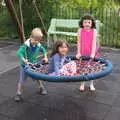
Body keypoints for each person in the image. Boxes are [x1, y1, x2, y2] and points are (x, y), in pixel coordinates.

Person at [15, 28, 48, 102]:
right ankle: (18, 93)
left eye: (38, 40)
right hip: (24, 66)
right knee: (22, 80)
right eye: (35, 40)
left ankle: (41, 88)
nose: (36, 42)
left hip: (34, 64)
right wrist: (25, 60)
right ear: (31, 37)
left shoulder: (38, 45)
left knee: (37, 78)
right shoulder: (25, 45)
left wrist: (45, 57)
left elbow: (44, 50)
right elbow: (19, 53)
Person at [76, 15, 99, 91]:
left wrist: (92, 53)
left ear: (92, 23)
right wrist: (78, 52)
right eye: (85, 22)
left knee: (91, 68)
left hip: (91, 52)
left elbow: (94, 43)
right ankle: (82, 84)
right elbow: (79, 42)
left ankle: (91, 84)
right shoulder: (80, 30)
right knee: (82, 68)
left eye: (89, 22)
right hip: (83, 52)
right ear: (82, 23)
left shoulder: (94, 31)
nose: (87, 24)